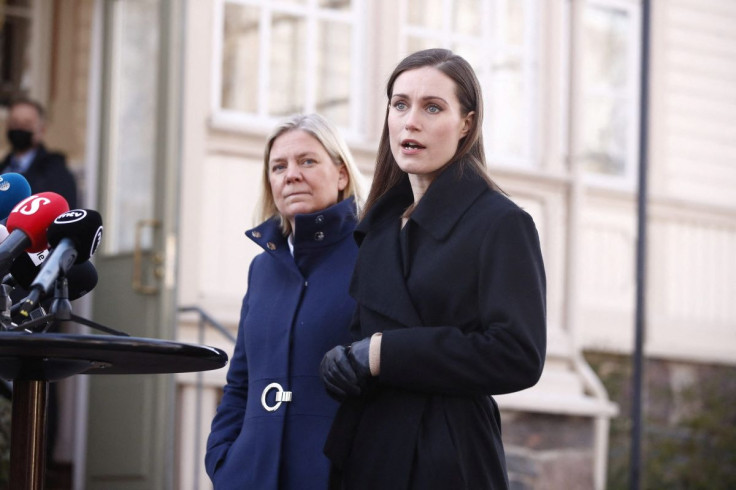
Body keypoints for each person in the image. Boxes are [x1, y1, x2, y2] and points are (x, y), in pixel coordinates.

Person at [320, 48, 547, 489]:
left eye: (433, 107)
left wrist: (385, 353)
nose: (411, 121)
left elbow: (517, 354)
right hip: (370, 452)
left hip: (449, 458)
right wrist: (344, 363)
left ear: (466, 123)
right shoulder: (380, 226)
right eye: (400, 104)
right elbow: (362, 338)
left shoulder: (501, 223)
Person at [205, 113, 366, 489]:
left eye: (307, 161)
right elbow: (240, 383)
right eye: (279, 166)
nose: (291, 174)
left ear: (341, 174)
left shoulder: (372, 257)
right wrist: (222, 457)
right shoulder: (262, 269)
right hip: (251, 475)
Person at [1, 97, 78, 208]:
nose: (19, 128)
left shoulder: (56, 172)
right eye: (14, 123)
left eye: (26, 125)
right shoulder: (4, 168)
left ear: (41, 130)